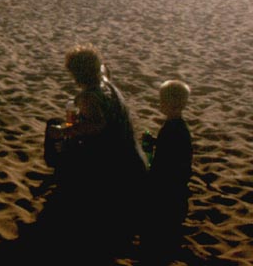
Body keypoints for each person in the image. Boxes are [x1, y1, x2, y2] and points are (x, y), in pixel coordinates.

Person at [45, 45, 147, 261]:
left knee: (57, 135)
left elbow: (97, 125)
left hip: (113, 164)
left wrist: (64, 131)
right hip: (130, 157)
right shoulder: (108, 86)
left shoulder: (89, 97)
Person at [141, 80, 193, 264]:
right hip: (176, 191)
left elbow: (165, 164)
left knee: (158, 236)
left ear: (169, 104)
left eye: (161, 100)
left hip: (167, 192)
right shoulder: (178, 127)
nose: (159, 104)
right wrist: (155, 143)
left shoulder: (172, 129)